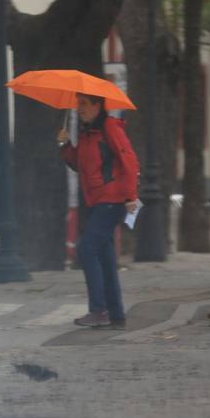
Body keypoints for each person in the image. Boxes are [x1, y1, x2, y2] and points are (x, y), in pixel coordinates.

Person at [58, 93, 140, 328]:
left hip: (112, 199)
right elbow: (78, 164)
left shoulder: (109, 127)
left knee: (86, 248)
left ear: (97, 105)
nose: (79, 108)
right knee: (104, 256)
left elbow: (129, 160)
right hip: (97, 201)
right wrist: (65, 145)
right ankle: (116, 312)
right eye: (77, 104)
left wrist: (130, 196)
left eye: (84, 104)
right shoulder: (87, 132)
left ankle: (99, 310)